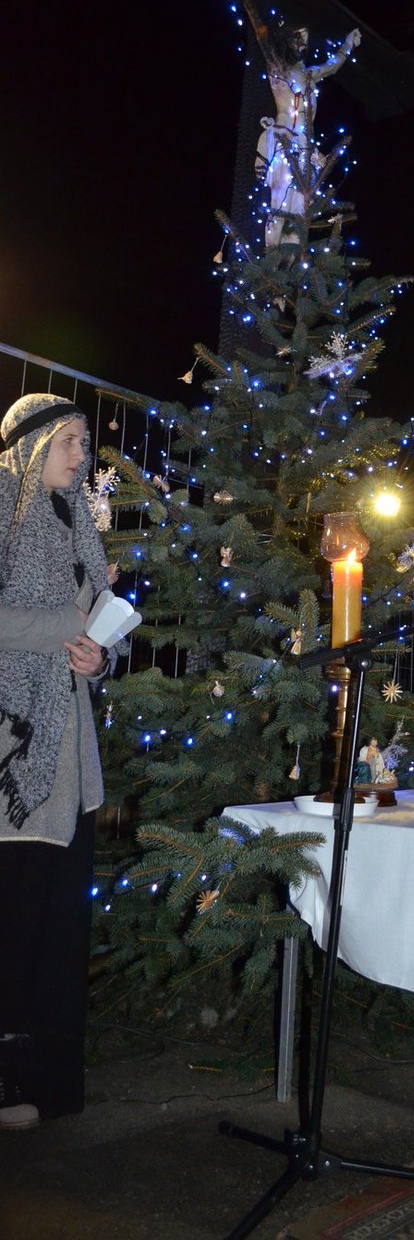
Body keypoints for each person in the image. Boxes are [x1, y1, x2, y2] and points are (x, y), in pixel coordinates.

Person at [0, 394, 112, 1131]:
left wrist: (99, 653)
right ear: (32, 447)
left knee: (57, 920)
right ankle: (7, 1083)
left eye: (84, 442)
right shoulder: (3, 513)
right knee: (13, 919)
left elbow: (101, 615)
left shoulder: (81, 529)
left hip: (70, 748)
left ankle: (52, 1078)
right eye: (69, 440)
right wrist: (66, 628)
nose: (82, 454)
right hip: (15, 746)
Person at [229, 0, 361, 254]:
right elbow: (253, 13)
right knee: (278, 202)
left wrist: (348, 45)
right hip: (283, 141)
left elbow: (332, 65)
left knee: (301, 207)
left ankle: (290, 259)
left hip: (304, 147)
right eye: (296, 39)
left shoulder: (309, 74)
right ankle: (274, 258)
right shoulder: (277, 67)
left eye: (305, 40)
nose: (302, 45)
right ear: (286, 41)